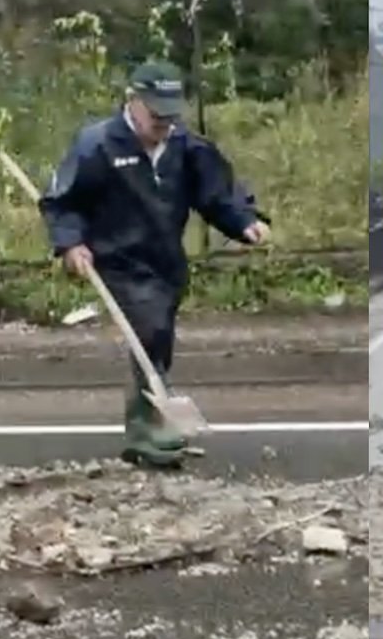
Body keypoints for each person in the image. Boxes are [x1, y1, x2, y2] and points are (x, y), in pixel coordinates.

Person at [40, 60, 270, 468]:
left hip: (166, 259)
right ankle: (149, 426)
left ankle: (149, 421)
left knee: (157, 337)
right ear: (132, 101)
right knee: (148, 330)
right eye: (156, 114)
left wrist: (245, 222)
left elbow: (217, 194)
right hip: (115, 260)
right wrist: (70, 243)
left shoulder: (187, 146)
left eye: (171, 115)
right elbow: (64, 202)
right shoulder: (97, 145)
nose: (164, 123)